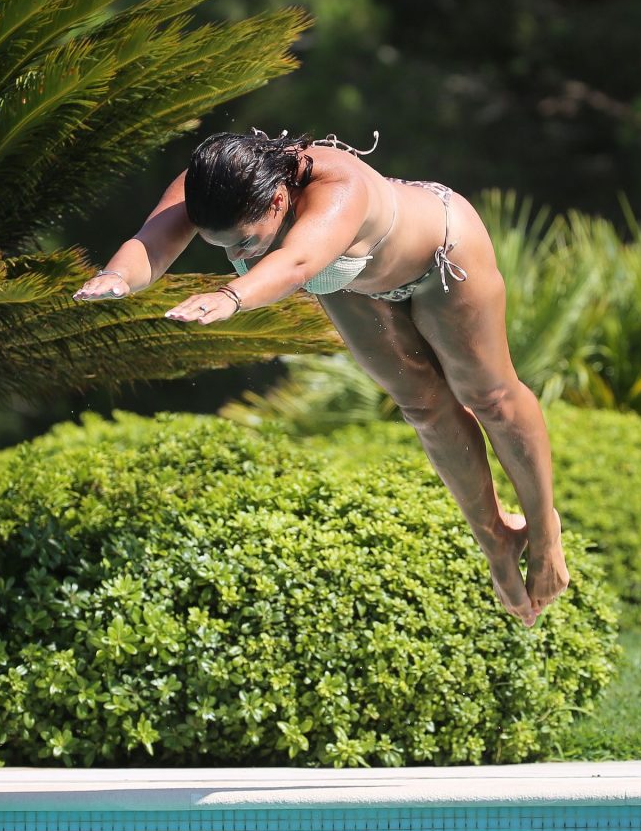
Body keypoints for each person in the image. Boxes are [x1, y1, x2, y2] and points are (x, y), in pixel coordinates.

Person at [74, 129, 569, 625]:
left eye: (244, 242)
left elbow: (297, 262)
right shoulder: (213, 185)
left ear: (277, 200)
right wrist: (115, 276)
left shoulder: (338, 187)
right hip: (355, 281)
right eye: (222, 246)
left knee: (488, 396)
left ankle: (545, 535)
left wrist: (230, 296)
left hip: (442, 257)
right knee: (422, 407)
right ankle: (497, 540)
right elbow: (150, 243)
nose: (237, 256)